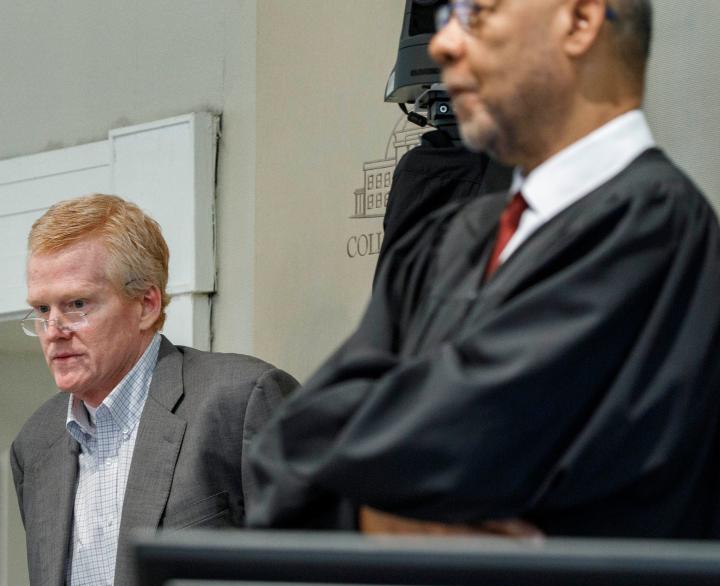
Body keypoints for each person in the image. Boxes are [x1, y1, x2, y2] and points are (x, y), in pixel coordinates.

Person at [248, 0, 720, 539]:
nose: (443, 44)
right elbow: (278, 461)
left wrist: (357, 505)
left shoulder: (650, 227)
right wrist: (394, 522)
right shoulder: (446, 241)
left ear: (581, 22)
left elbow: (469, 444)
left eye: (477, 14)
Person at [11, 194, 299, 586]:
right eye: (41, 309)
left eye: (77, 305)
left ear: (146, 304)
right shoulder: (35, 444)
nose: (54, 331)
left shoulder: (242, 400)